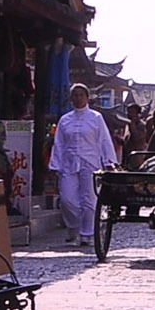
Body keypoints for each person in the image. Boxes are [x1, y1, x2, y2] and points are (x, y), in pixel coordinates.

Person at [49, 85, 116, 245]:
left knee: (89, 200)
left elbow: (104, 140)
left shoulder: (96, 117)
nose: (78, 98)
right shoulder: (65, 120)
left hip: (90, 162)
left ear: (87, 97)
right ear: (71, 98)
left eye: (81, 95)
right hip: (69, 163)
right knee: (67, 199)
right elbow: (58, 144)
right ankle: (73, 227)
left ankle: (87, 233)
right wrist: (55, 165)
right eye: (75, 95)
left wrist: (109, 161)